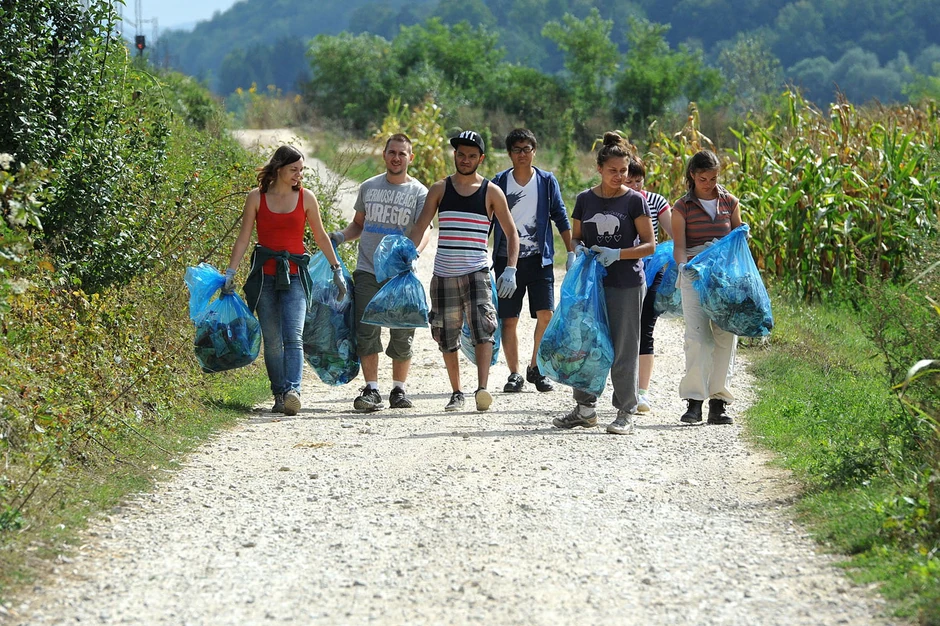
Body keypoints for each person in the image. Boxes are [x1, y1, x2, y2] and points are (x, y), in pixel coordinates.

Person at [223, 145, 346, 417]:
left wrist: (336, 269)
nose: (298, 175)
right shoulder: (256, 198)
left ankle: (293, 391)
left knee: (294, 336)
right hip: (264, 277)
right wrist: (231, 272)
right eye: (294, 170)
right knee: (272, 338)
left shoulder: (306, 198)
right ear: (279, 169)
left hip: (295, 276)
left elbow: (321, 235)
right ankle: (278, 393)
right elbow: (244, 237)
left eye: (301, 170)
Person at [552, 132, 655, 435]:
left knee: (624, 348)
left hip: (626, 283)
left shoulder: (634, 200)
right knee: (586, 344)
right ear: (599, 168)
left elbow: (649, 245)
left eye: (623, 171)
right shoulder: (585, 199)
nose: (619, 176)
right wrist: (577, 250)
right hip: (591, 286)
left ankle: (625, 410)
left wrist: (619, 253)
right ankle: (584, 408)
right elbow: (576, 236)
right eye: (613, 170)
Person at [409, 130, 519, 412]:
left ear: (481, 158)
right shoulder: (439, 189)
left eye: (471, 156)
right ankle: (456, 392)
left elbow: (511, 232)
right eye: (461, 154)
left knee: (484, 328)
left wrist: (511, 269)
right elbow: (421, 225)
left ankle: (482, 389)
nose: (465, 160)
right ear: (454, 155)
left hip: (477, 272)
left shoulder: (491, 191)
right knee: (446, 334)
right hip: (444, 273)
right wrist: (405, 255)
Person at [329, 134, 430, 413]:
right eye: (392, 152)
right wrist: (338, 237)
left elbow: (425, 230)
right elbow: (358, 225)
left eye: (402, 153)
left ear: (411, 157)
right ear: (384, 155)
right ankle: (372, 389)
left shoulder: (420, 193)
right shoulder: (368, 187)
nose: (397, 158)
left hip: (401, 274)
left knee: (401, 331)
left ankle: (399, 389)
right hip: (368, 270)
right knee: (366, 330)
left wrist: (414, 252)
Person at [491, 128, 574, 394]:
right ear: (509, 153)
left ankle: (535, 367)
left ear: (534, 151)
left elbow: (560, 216)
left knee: (546, 315)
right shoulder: (499, 182)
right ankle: (514, 373)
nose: (522, 154)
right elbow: (488, 221)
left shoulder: (547, 181)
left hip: (540, 260)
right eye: (517, 149)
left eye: (527, 149)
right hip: (508, 261)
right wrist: (481, 250)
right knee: (509, 319)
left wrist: (571, 251)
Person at [671, 149, 742, 425]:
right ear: (692, 175)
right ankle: (694, 401)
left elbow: (738, 240)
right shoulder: (682, 207)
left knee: (725, 336)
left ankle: (718, 403)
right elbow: (679, 246)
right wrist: (683, 267)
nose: (709, 183)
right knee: (698, 338)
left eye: (714, 178)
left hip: (724, 277)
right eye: (704, 178)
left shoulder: (730, 202)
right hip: (694, 275)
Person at [624, 156, 673, 414]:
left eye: (638, 181)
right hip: (621, 272)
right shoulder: (616, 201)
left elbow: (674, 230)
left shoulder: (655, 201)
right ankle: (623, 388)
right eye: (628, 180)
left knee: (645, 328)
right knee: (622, 331)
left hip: (652, 270)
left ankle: (642, 392)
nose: (634, 186)